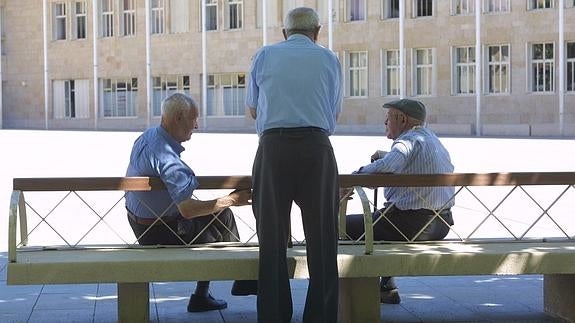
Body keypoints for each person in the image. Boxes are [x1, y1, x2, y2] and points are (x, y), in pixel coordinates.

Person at [245, 7, 343, 323]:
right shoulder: (329, 59)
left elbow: (253, 110)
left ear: (284, 32)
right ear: (317, 31)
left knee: (271, 240)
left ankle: (274, 316)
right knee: (324, 242)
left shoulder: (263, 56)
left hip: (274, 149)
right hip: (317, 149)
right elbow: (334, 112)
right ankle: (321, 316)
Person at [125, 92, 253, 313]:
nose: (197, 125)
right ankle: (241, 277)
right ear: (178, 118)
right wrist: (232, 199)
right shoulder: (167, 158)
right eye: (194, 118)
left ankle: (214, 290)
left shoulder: (148, 137)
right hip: (159, 231)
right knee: (220, 224)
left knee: (219, 216)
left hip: (140, 223)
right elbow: (187, 210)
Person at [344, 98, 455, 305]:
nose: (385, 123)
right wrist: (386, 155)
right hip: (442, 223)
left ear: (402, 120)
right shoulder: (431, 139)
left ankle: (356, 296)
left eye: (388, 118)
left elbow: (387, 166)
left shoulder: (407, 141)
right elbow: (410, 161)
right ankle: (387, 286)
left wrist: (351, 179)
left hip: (411, 224)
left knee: (340, 227)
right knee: (379, 224)